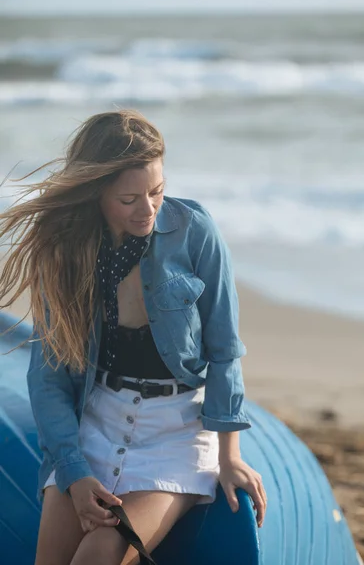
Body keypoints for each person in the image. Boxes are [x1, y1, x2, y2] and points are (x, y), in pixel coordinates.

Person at [0, 110, 267, 565]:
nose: (147, 209)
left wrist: (229, 454)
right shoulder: (62, 252)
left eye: (157, 192)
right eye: (129, 199)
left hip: (177, 432)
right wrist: (73, 470)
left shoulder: (193, 230)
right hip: (98, 419)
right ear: (96, 194)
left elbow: (224, 350)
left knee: (97, 556)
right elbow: (48, 379)